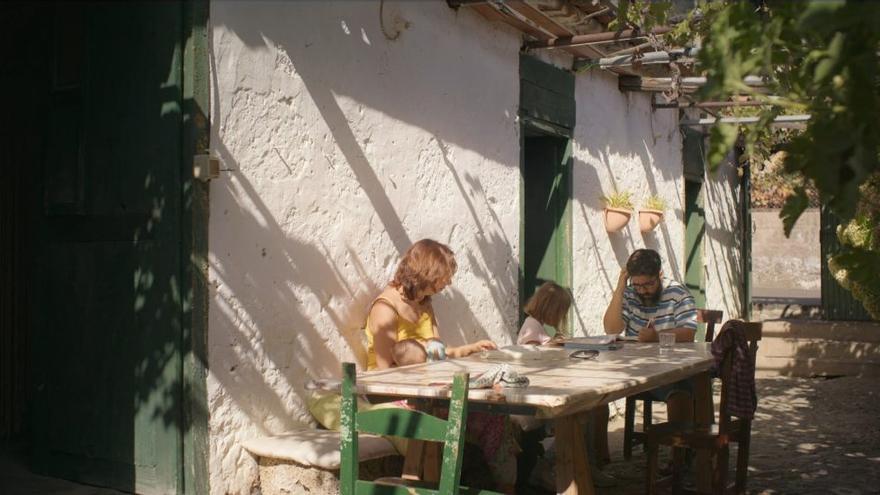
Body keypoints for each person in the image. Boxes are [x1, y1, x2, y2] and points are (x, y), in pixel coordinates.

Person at [364, 239, 516, 492]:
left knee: (496, 416)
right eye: (443, 277)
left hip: (430, 388)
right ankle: (442, 487)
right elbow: (384, 372)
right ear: (426, 273)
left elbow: (435, 354)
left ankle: (505, 489)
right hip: (395, 394)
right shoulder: (385, 308)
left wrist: (470, 349)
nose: (448, 282)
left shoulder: (425, 303)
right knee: (455, 414)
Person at [603, 248, 698, 445]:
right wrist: (621, 287)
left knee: (680, 391)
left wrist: (657, 336)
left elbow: (688, 333)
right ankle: (599, 458)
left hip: (669, 370)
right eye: (637, 285)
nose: (643, 290)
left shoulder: (678, 293)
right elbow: (611, 329)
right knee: (596, 392)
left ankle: (679, 455)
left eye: (649, 284)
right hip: (634, 370)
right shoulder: (629, 294)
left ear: (660, 275)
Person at [516, 281, 572, 345]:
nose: (561, 318)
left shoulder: (535, 323)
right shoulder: (533, 328)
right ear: (551, 311)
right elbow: (533, 352)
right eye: (561, 313)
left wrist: (555, 341)